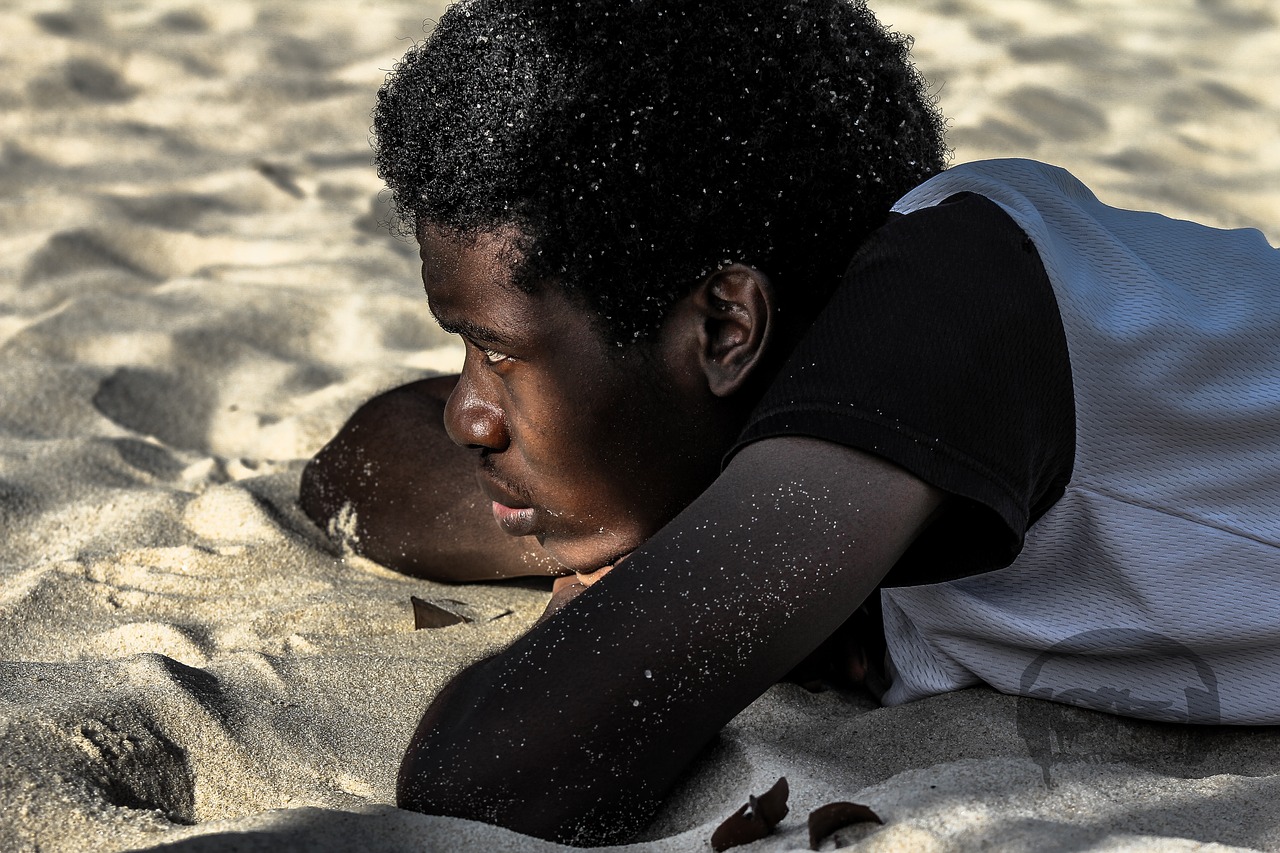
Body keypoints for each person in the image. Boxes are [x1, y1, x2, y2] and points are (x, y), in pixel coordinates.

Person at [299, 0, 1280, 844]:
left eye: (501, 355)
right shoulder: (823, 426)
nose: (471, 413)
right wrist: (673, 551)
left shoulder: (954, 303)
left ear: (726, 324)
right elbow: (355, 471)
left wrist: (655, 586)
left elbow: (489, 775)